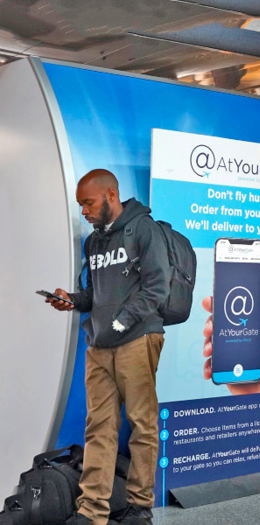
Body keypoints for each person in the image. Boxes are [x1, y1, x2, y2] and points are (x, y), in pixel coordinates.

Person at [46, 170, 169, 525]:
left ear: (111, 195)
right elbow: (95, 296)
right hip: (99, 345)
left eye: (88, 202)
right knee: (98, 426)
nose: (83, 210)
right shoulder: (94, 242)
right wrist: (72, 300)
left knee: (142, 424)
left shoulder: (144, 229)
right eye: (80, 204)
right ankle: (92, 511)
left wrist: (123, 320)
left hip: (137, 339)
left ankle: (139, 507)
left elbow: (157, 288)